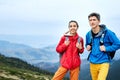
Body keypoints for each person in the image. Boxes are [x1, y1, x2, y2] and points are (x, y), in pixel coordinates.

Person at [86, 12, 120, 80]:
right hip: (92, 62)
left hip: (104, 62)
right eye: (90, 20)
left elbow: (118, 44)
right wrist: (87, 46)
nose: (92, 22)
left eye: (94, 20)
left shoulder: (108, 33)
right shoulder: (88, 34)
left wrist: (106, 48)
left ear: (99, 21)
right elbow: (87, 44)